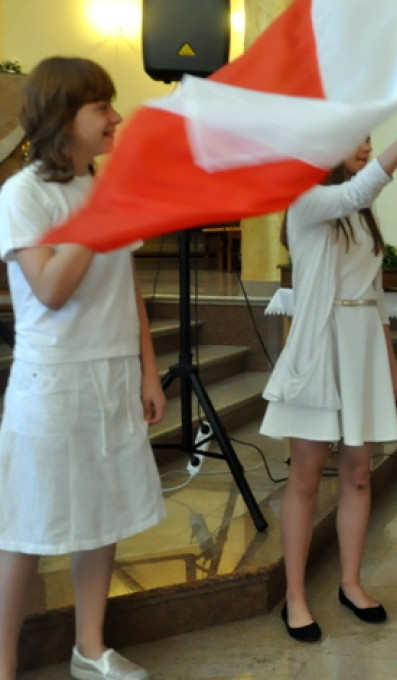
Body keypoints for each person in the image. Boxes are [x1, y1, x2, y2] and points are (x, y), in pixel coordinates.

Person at [260, 103, 397, 640]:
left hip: (363, 348)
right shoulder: (307, 200)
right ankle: (296, 597)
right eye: (355, 139)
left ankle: (350, 582)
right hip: (320, 349)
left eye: (370, 138)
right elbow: (357, 190)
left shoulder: (360, 215)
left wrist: (390, 368)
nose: (366, 146)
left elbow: (372, 293)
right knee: (304, 479)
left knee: (358, 473)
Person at [0, 57, 166, 680]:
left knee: (103, 514)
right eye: (103, 107)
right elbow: (49, 289)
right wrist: (99, 215)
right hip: (54, 379)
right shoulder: (22, 193)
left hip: (115, 372)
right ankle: (4, 661)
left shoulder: (101, 189)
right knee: (24, 524)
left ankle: (89, 647)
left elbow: (126, 288)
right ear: (62, 118)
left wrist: (149, 371)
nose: (117, 117)